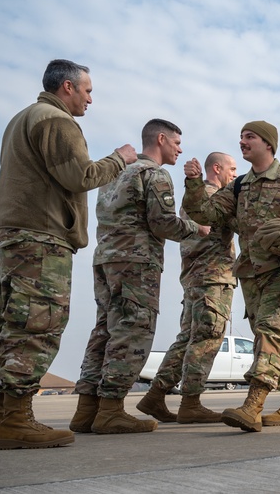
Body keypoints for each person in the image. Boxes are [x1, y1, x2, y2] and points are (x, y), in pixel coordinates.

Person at [0, 59, 136, 450]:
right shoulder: (55, 120)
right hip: (39, 238)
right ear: (67, 87)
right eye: (87, 90)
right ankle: (17, 420)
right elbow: (80, 177)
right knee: (38, 325)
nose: (90, 99)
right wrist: (119, 158)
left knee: (10, 326)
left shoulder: (21, 119)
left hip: (9, 236)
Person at [182, 121, 280, 432]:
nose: (242, 141)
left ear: (268, 144)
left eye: (250, 137)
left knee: (270, 331)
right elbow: (206, 214)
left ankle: (253, 404)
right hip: (252, 274)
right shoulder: (238, 186)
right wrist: (194, 183)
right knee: (273, 338)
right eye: (241, 137)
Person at [70, 119, 205, 435]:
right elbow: (162, 223)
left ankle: (86, 409)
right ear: (161, 139)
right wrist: (196, 229)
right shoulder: (154, 174)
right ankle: (111, 410)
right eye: (176, 143)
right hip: (136, 261)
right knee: (134, 328)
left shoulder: (116, 173)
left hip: (105, 259)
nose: (179, 149)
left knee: (105, 328)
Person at [136, 152, 238, 424]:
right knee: (207, 338)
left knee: (187, 339)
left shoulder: (195, 196)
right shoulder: (214, 196)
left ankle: (155, 395)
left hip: (195, 278)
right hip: (213, 277)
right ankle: (191, 403)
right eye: (232, 168)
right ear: (217, 168)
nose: (235, 174)